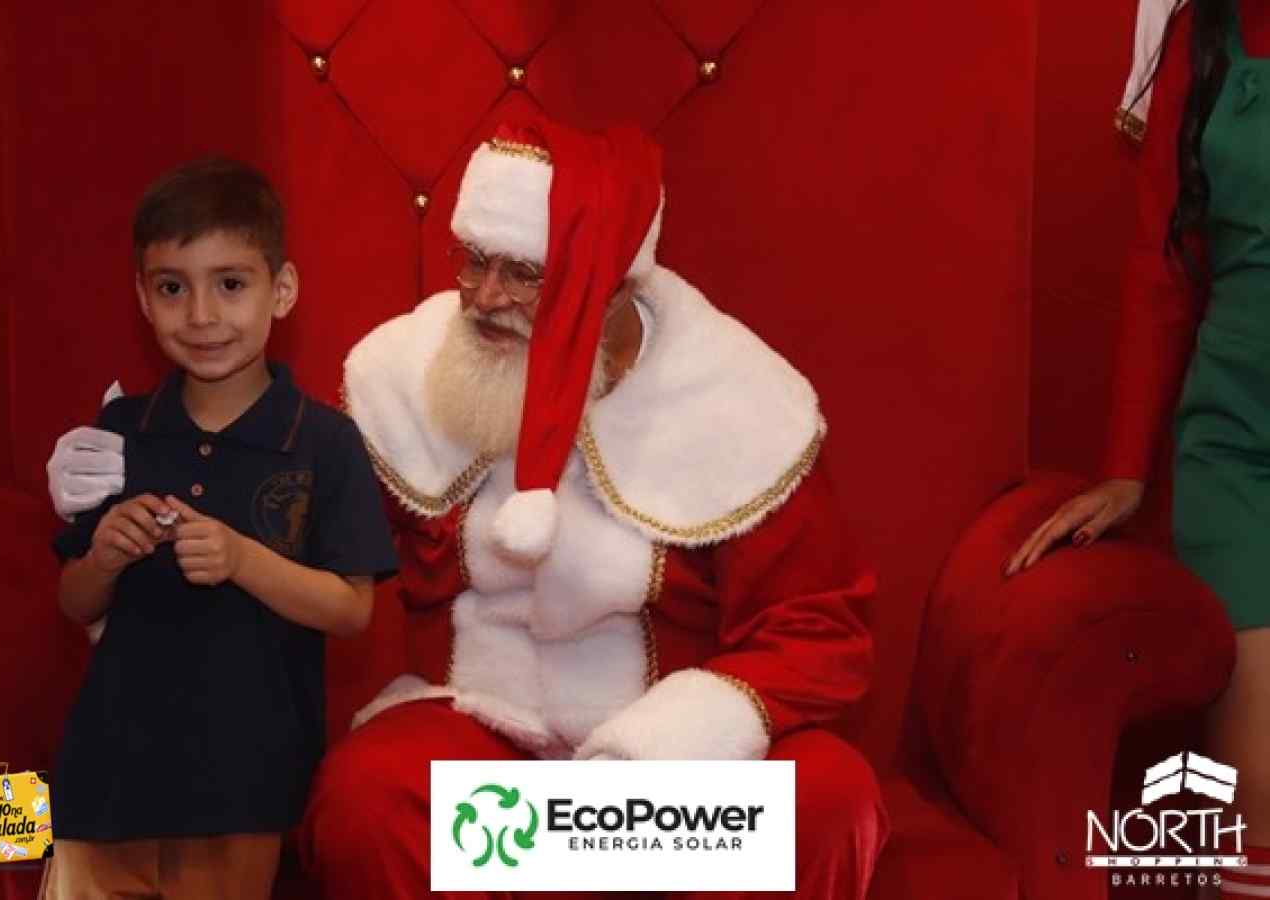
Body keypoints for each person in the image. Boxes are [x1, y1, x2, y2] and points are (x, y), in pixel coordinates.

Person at [47, 120, 888, 898]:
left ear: (608, 281)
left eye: (521, 273)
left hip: (665, 790)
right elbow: (287, 522)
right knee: (366, 800)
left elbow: (819, 630)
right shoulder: (410, 378)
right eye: (473, 261)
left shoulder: (739, 404)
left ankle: (596, 855)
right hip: (492, 762)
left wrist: (670, 749)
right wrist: (112, 484)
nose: (483, 298)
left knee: (829, 801)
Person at [40, 158, 398, 900]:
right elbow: (74, 603)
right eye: (173, 288)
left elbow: (352, 609)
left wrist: (241, 558)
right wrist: (104, 557)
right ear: (143, 297)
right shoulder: (120, 428)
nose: (201, 315)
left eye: (230, 284)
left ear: (282, 289)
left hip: (243, 791)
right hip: (100, 779)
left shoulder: (325, 441)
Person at [1006, 2, 1270, 895]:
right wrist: (1126, 468)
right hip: (1239, 447)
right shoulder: (1204, 32)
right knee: (1257, 788)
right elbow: (1161, 267)